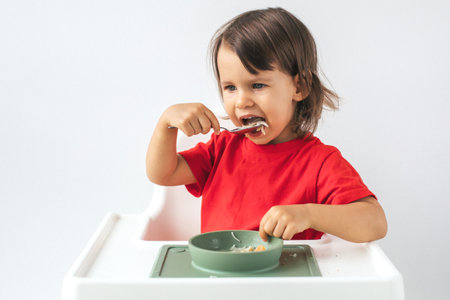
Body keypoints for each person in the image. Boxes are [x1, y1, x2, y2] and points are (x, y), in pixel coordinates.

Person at [146, 7, 387, 242]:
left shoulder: (320, 163)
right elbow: (162, 173)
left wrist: (309, 214)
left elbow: (375, 223)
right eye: (230, 87)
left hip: (284, 279)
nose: (241, 101)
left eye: (257, 85)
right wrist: (166, 124)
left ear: (299, 86)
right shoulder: (221, 149)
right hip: (218, 278)